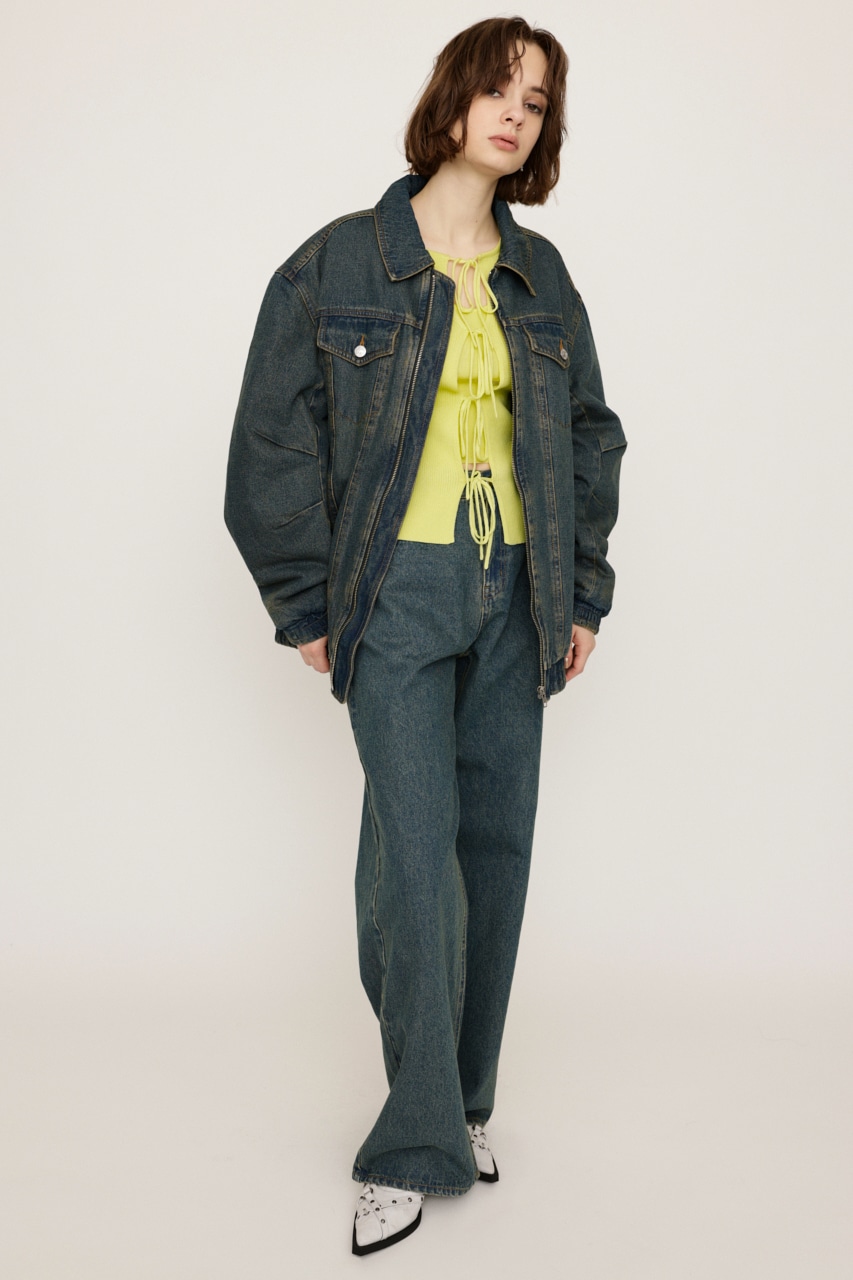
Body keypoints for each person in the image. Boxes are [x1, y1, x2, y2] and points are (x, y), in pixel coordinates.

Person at [224, 14, 626, 1257]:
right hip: (397, 585)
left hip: (517, 586)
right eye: (498, 90)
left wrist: (579, 592)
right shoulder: (340, 263)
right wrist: (307, 601)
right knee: (413, 859)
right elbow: (269, 440)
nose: (515, 114)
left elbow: (590, 432)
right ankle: (411, 1143)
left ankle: (461, 1100)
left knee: (493, 848)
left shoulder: (539, 275)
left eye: (536, 102)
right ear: (450, 100)